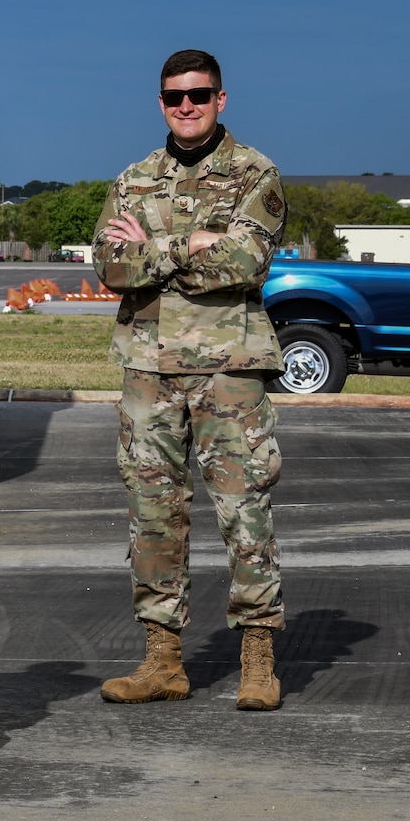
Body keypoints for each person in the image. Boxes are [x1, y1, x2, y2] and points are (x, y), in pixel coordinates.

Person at [92, 49, 287, 711]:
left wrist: (152, 252)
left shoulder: (254, 175)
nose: (186, 106)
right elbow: (110, 268)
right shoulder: (134, 178)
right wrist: (186, 246)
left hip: (229, 369)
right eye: (175, 96)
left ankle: (257, 656)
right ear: (160, 102)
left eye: (199, 95)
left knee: (244, 509)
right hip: (148, 368)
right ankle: (162, 659)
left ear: (221, 99)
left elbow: (241, 264)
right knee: (153, 514)